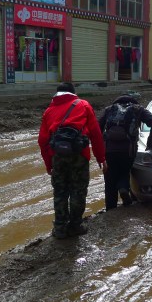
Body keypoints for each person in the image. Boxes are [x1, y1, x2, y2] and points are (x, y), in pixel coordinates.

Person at [38, 82, 107, 239]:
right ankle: (75, 226)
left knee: (60, 192)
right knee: (78, 191)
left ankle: (60, 228)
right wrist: (101, 158)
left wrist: (48, 164)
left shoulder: (49, 111)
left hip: (57, 157)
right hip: (79, 156)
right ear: (73, 93)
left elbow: (42, 141)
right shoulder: (83, 105)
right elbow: (96, 134)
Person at [99, 93, 152, 211]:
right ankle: (123, 188)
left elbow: (97, 127)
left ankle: (110, 210)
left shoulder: (109, 109)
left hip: (109, 150)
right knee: (125, 171)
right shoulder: (138, 109)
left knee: (110, 179)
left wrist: (102, 144)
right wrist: (150, 143)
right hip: (128, 150)